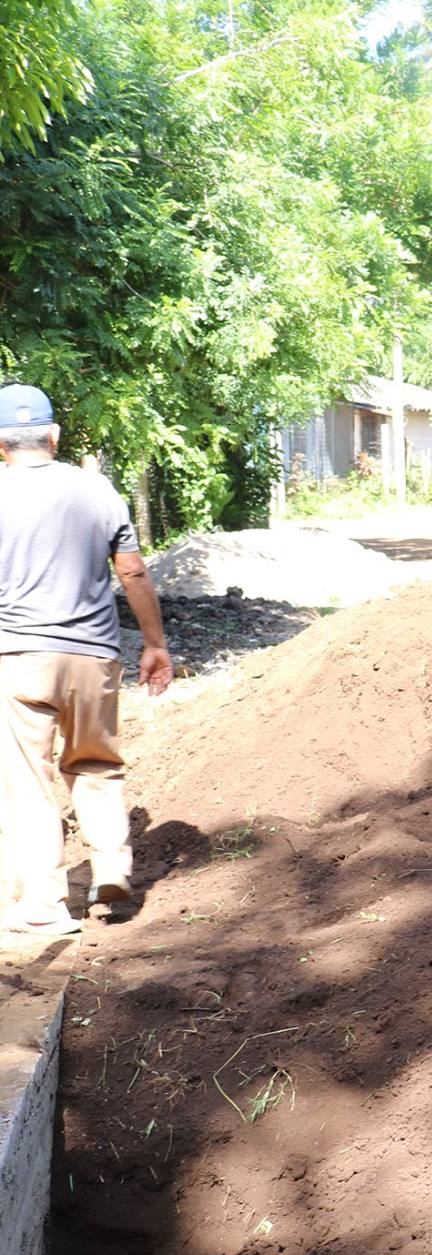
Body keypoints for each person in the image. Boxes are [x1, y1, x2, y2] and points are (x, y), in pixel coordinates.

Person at [0, 384, 174, 936]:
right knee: (96, 766)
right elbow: (134, 573)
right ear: (53, 436)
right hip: (93, 655)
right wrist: (155, 645)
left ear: (0, 444)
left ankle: (45, 908)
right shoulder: (97, 491)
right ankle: (111, 872)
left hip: (18, 654)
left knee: (28, 782)